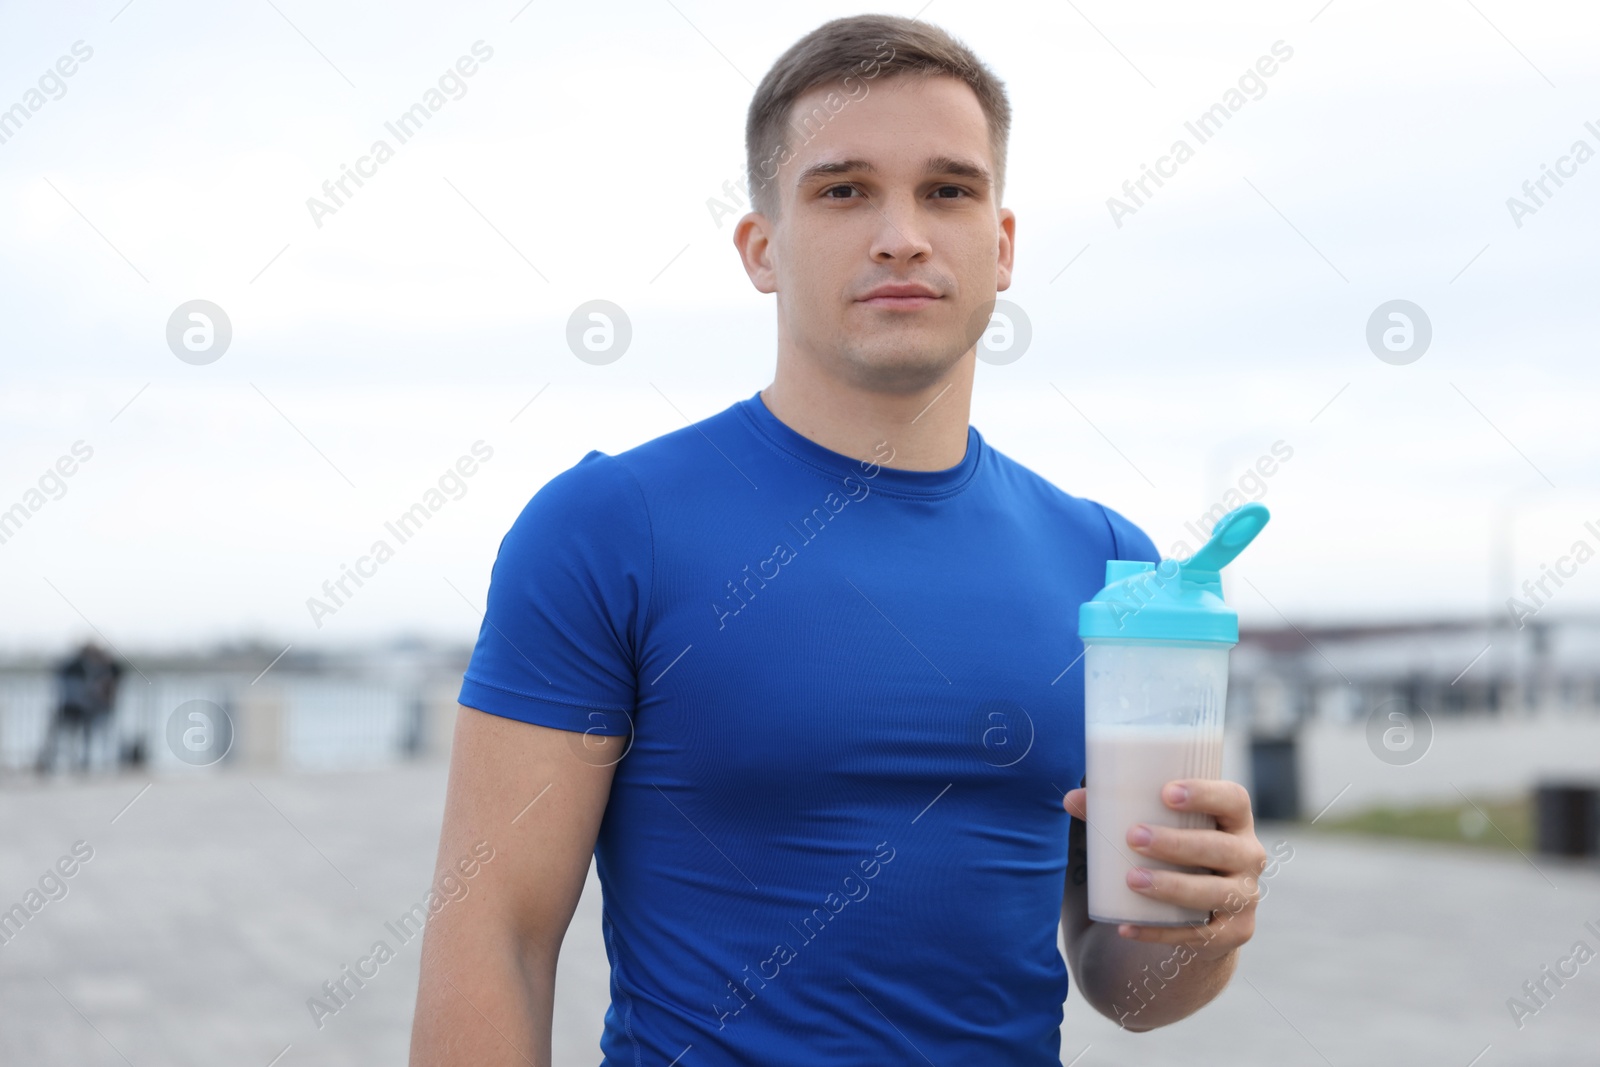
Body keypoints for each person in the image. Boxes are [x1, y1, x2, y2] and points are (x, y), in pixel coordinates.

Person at [410, 14, 1270, 1065]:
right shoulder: (608, 528)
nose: (901, 232)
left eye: (947, 190)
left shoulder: (1111, 565)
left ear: (1000, 247)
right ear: (760, 246)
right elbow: (493, 932)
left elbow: (1127, 985)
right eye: (843, 188)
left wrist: (1204, 928)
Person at [36, 641, 123, 774]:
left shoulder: (86, 668)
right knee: (68, 738)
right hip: (75, 708)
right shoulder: (79, 668)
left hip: (81, 709)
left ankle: (79, 763)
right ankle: (62, 763)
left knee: (77, 738)